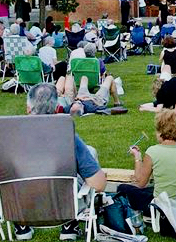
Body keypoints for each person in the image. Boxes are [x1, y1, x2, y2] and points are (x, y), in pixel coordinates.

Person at [17, 83, 106, 241]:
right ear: (56, 108)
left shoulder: (8, 135)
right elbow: (98, 184)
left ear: (28, 108)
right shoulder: (65, 134)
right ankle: (69, 224)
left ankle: (22, 226)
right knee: (87, 156)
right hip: (63, 206)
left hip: (19, 207)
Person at [117, 110, 176, 224]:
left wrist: (137, 157)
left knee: (123, 189)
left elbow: (140, 183)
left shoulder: (153, 152)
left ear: (160, 131)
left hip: (163, 207)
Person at [56, 71, 124, 116]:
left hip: (81, 95)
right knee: (109, 78)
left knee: (84, 78)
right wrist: (92, 99)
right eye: (79, 104)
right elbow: (106, 109)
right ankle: (117, 102)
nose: (78, 103)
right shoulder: (91, 108)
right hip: (97, 98)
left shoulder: (67, 109)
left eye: (75, 104)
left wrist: (77, 99)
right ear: (82, 109)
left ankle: (76, 92)